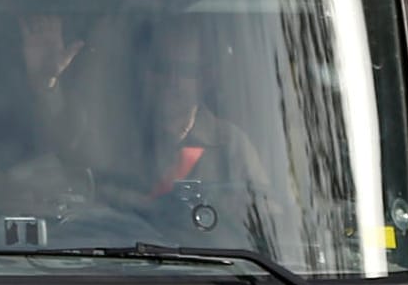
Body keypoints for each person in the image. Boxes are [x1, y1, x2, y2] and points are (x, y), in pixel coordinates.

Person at [20, 13, 270, 206]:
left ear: (205, 78)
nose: (171, 80)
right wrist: (46, 84)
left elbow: (262, 221)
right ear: (145, 72)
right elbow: (61, 146)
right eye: (161, 67)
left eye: (184, 70)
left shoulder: (230, 146)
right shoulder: (109, 132)